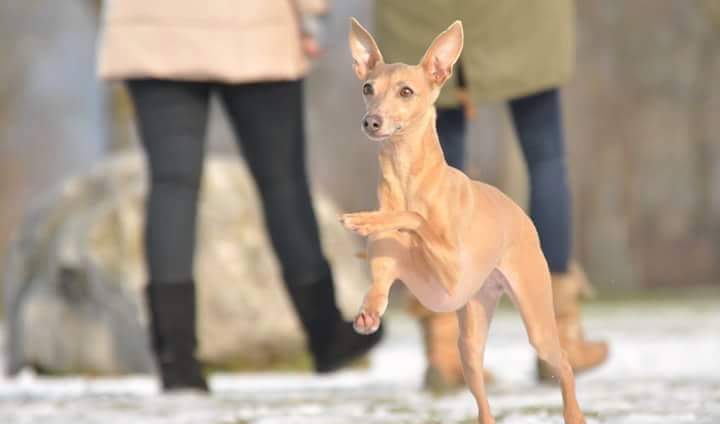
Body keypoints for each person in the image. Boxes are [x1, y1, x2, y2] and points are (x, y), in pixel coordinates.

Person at [97, 0, 382, 391]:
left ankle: (176, 360)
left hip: (151, 30)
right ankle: (327, 336)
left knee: (171, 187)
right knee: (283, 183)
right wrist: (311, 15)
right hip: (254, 27)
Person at [375, 0, 608, 389]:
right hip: (521, 16)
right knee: (546, 160)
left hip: (421, 15)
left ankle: (443, 342)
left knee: (430, 171)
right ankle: (561, 337)